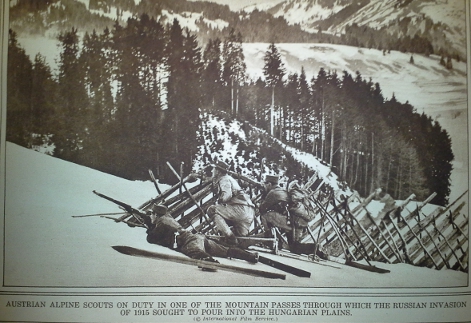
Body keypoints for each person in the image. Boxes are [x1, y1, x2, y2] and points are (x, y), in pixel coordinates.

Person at [146, 204, 258, 264]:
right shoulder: (167, 218)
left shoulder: (161, 222)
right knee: (225, 250)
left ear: (156, 215)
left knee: (194, 251)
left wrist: (149, 227)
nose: (151, 217)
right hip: (199, 237)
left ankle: (209, 261)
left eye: (152, 214)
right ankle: (250, 256)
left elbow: (150, 239)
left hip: (190, 240)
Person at [259, 175, 328, 260]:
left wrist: (263, 197)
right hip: (298, 222)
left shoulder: (272, 193)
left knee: (266, 216)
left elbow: (262, 209)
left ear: (269, 184)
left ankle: (271, 239)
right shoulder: (282, 190)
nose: (264, 186)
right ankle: (317, 249)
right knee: (294, 248)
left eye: (265, 184)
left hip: (292, 223)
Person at [206, 161, 255, 245]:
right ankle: (264, 235)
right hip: (249, 212)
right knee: (241, 240)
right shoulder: (231, 179)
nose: (212, 171)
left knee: (212, 210)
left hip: (239, 209)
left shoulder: (224, 179)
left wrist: (220, 200)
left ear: (218, 171)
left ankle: (229, 236)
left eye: (214, 169)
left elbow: (227, 195)